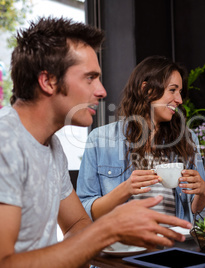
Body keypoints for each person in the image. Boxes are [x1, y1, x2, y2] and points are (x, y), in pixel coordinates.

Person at [0, 17, 191, 267]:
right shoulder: (6, 144)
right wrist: (107, 230)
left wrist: (112, 234)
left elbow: (76, 224)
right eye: (90, 78)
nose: (102, 91)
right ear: (47, 81)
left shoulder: (52, 147)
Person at [77, 55, 205, 222]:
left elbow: (201, 214)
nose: (179, 100)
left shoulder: (187, 139)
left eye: (180, 92)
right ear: (147, 89)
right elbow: (84, 211)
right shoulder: (99, 140)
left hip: (174, 242)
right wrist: (125, 190)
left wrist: (202, 193)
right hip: (124, 245)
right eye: (172, 90)